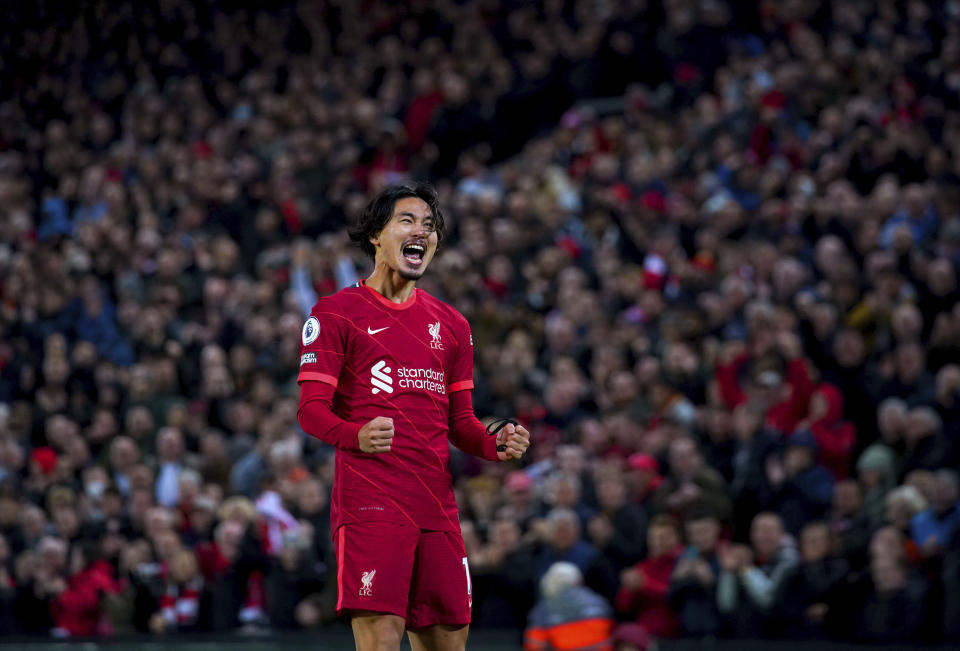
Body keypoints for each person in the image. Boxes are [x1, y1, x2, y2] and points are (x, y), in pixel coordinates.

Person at [296, 184, 531, 651]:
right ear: (376, 237)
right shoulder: (336, 313)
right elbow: (310, 412)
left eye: (430, 225)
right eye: (407, 220)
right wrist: (356, 434)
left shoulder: (452, 326)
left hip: (436, 508)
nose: (421, 231)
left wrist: (492, 442)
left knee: (448, 639)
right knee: (382, 637)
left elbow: (460, 423)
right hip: (372, 503)